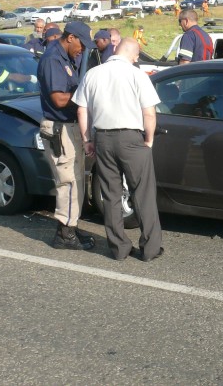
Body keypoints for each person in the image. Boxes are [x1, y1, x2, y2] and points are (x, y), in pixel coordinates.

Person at [73, 38, 163, 262]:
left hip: (103, 138)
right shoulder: (137, 75)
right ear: (134, 54)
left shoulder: (93, 74)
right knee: (142, 192)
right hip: (132, 139)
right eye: (137, 56)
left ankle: (119, 248)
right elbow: (149, 113)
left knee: (111, 194)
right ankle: (150, 249)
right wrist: (149, 140)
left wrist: (87, 140)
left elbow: (82, 111)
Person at [36, 21, 96, 250]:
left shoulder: (68, 56)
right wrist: (86, 94)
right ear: (70, 38)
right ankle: (64, 234)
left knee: (77, 179)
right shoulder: (53, 59)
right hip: (59, 128)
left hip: (70, 126)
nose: (83, 49)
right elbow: (59, 99)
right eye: (82, 44)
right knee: (68, 181)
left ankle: (70, 225)